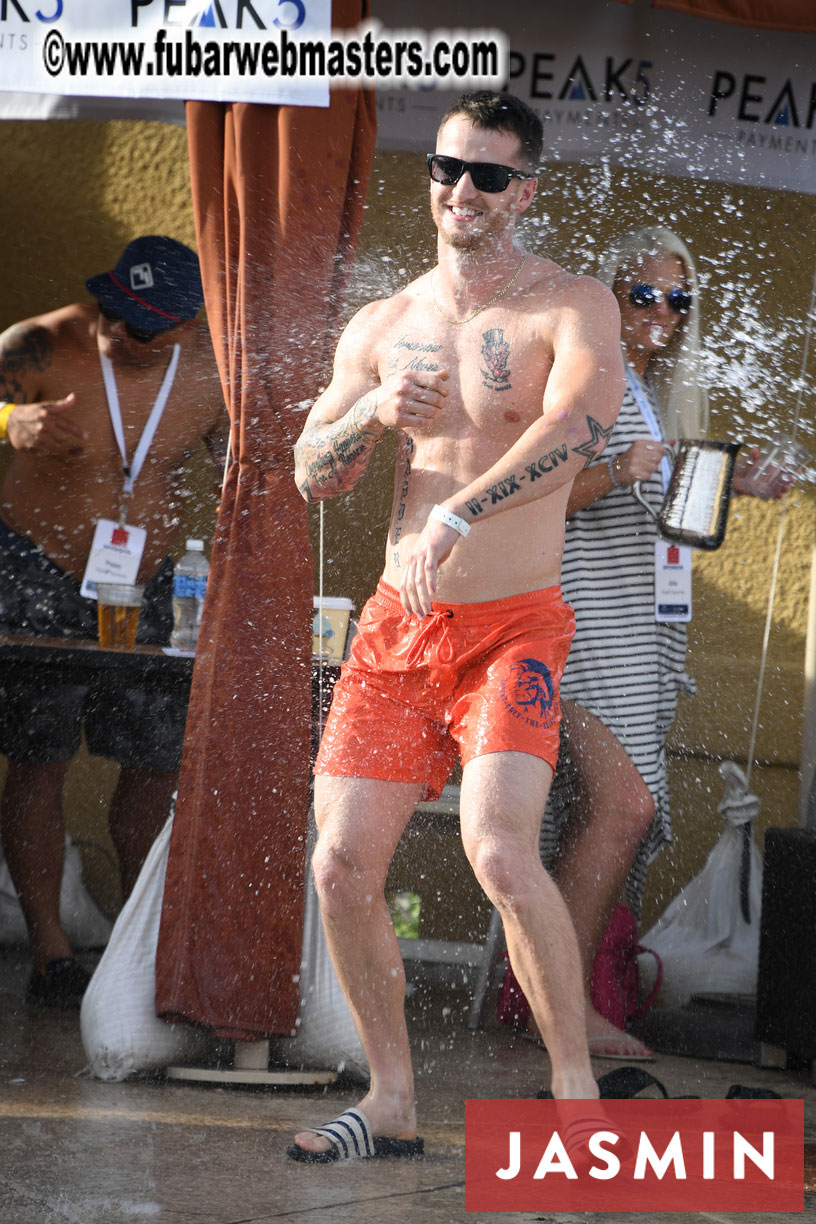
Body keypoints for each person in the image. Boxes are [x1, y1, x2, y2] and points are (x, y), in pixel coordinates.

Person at [289, 90, 624, 1162]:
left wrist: (462, 507)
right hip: (398, 628)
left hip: (512, 626)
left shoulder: (571, 304)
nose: (461, 193)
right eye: (446, 171)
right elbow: (310, 474)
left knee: (497, 852)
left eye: (486, 175)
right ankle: (391, 1099)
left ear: (524, 189)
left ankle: (576, 1101)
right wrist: (369, 415)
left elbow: (575, 430)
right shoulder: (383, 323)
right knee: (339, 865)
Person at [536, 225, 784, 1060]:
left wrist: (730, 483)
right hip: (573, 627)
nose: (663, 313)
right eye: (644, 294)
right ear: (608, 297)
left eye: (679, 299)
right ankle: (563, 1013)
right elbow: (528, 495)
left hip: (633, 633)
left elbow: (665, 518)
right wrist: (621, 471)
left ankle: (557, 998)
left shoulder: (648, 392)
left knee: (597, 820)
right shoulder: (585, 382)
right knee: (625, 807)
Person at [0, 235, 227, 1008]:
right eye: (110, 311)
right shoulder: (40, 343)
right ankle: (51, 955)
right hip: (41, 568)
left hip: (154, 582)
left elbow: (245, 466)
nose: (116, 333)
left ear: (189, 328)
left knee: (157, 767)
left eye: (141, 326)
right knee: (39, 758)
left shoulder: (213, 372)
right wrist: (9, 422)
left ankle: (144, 945)